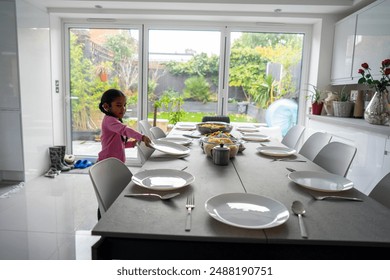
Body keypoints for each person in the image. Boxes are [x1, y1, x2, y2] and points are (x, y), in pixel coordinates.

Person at [98, 89, 152, 163]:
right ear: (106, 106)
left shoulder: (114, 120)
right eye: (119, 105)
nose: (123, 109)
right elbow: (125, 130)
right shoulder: (109, 120)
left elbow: (117, 145)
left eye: (124, 105)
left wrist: (132, 143)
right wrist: (141, 137)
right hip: (108, 163)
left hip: (114, 163)